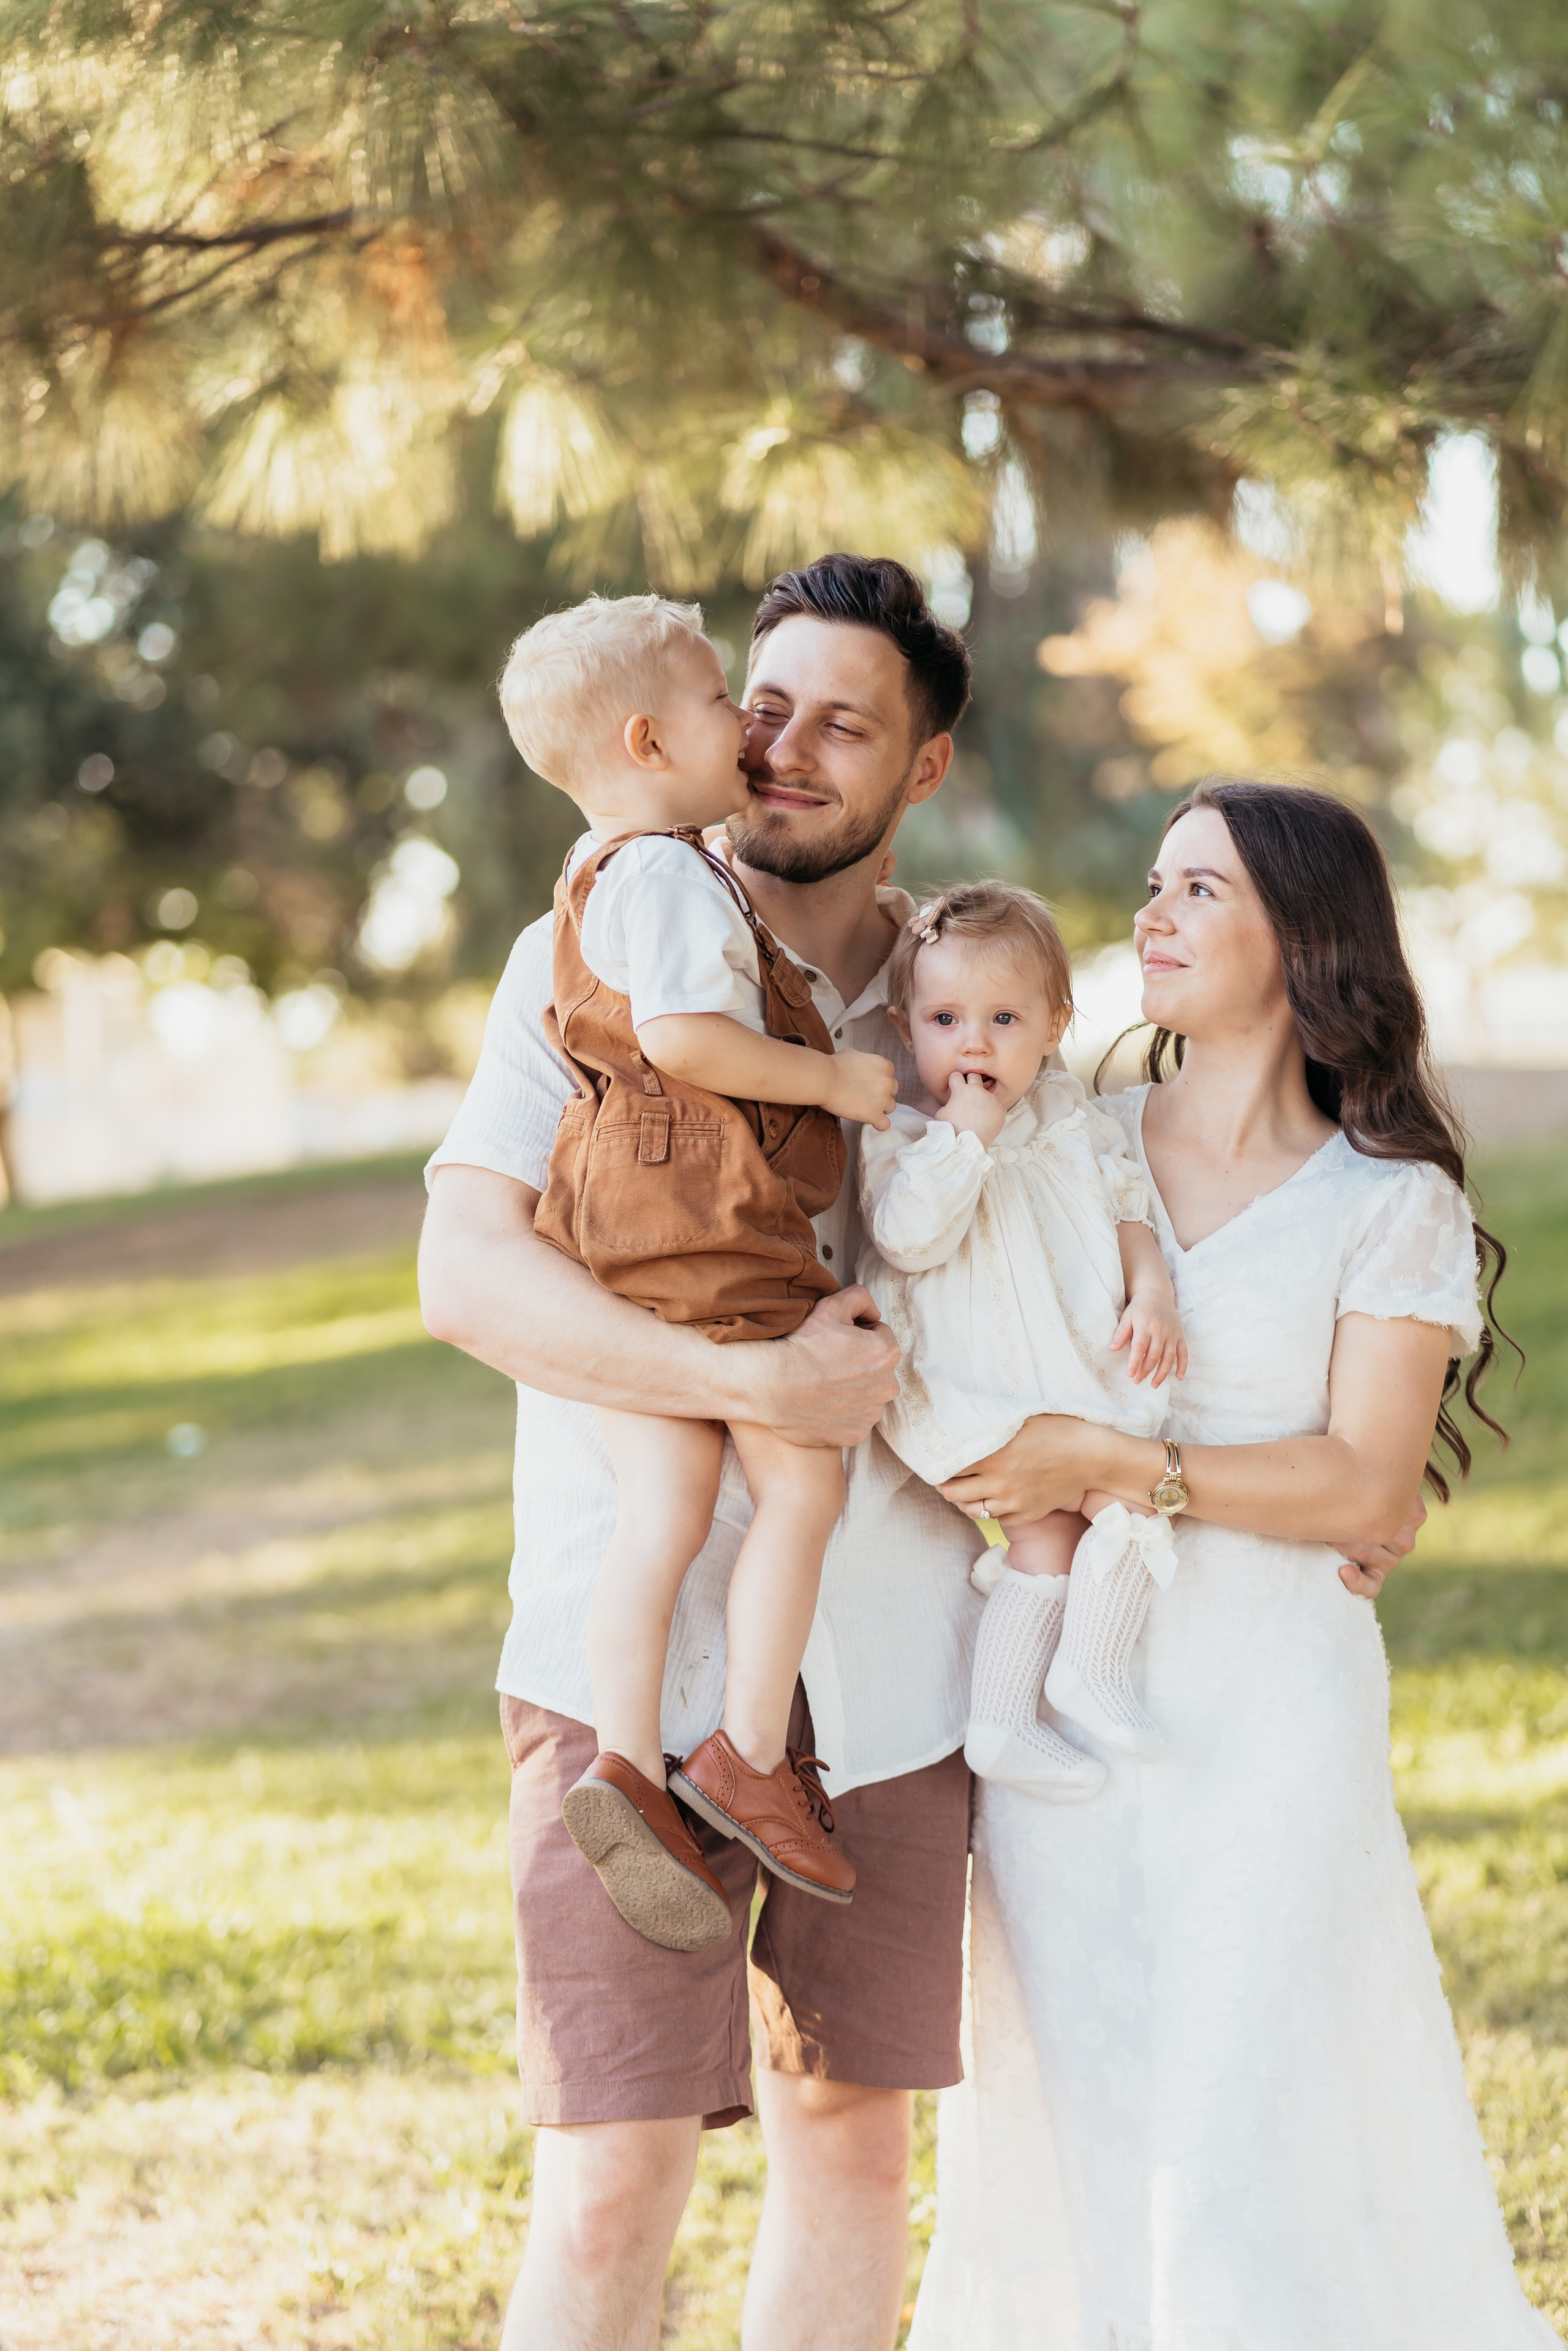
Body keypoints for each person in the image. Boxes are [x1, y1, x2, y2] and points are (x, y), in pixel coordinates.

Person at [420, 554, 982, 2351]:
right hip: (627, 1660)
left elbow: (1110, 1232)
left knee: (853, 2144)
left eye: (844, 723)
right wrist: (745, 1382)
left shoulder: (971, 989)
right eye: (767, 702)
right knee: (608, 2180)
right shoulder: (588, 941)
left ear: (925, 765)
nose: (784, 745)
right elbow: (463, 1270)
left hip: (889, 1672)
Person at [911, 779, 1553, 2350]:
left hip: (1269, 1715)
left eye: (1198, 888)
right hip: (1058, 1729)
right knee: (1070, 2113)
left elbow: (1362, 1480)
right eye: (1153, 883)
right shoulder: (1066, 1137)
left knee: (1245, 2119)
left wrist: (1108, 1463)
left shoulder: (1385, 1199)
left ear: (1303, 933)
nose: (1152, 913)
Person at [498, 594, 897, 1947]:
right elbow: (684, 1038)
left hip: (611, 1228)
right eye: (729, 699)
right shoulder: (669, 873)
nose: (750, 728)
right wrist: (833, 1079)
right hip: (699, 1220)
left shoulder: (589, 873)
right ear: (649, 739)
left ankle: (622, 1760)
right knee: (803, 1479)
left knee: (661, 1505)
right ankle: (746, 1754)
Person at [856, 880, 1186, 1802]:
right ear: (907, 1026)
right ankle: (1054, 1688)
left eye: (1004, 1019)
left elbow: (1125, 1205)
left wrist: (1152, 1290)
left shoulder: (1072, 1115)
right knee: (1071, 1519)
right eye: (946, 1019)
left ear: (1053, 1026)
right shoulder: (905, 1138)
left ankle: (1036, 1702)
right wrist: (965, 1137)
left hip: (1066, 1372)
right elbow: (909, 1239)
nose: (974, 1043)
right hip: (976, 1387)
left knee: (1105, 1514)